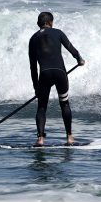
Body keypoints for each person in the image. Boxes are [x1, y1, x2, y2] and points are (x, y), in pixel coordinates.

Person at [28, 11, 84, 146]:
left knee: (41, 107)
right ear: (50, 23)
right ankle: (69, 137)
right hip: (60, 73)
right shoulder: (58, 32)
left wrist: (36, 87)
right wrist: (79, 59)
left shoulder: (33, 39)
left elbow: (33, 67)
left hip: (44, 74)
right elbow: (72, 49)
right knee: (64, 103)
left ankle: (40, 139)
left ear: (38, 24)